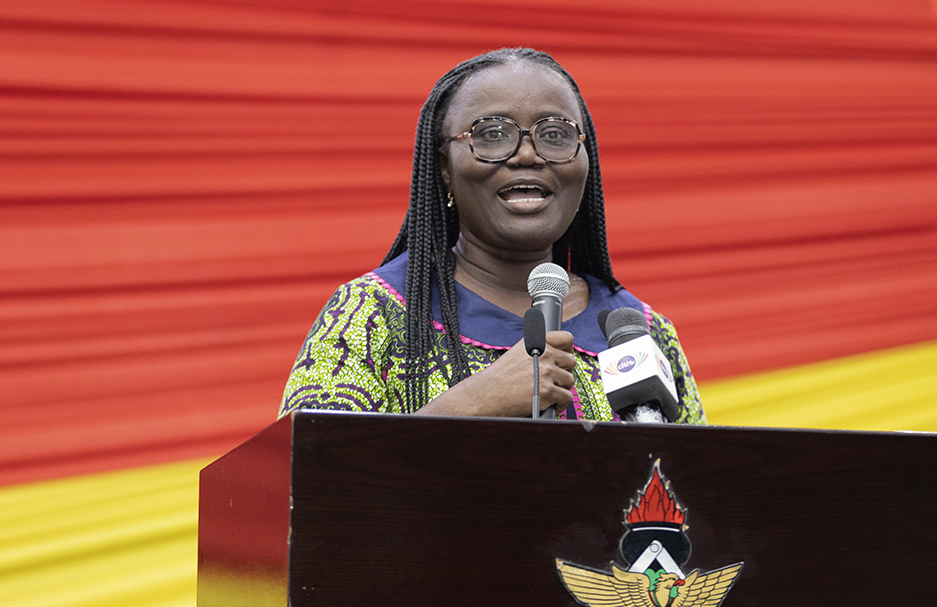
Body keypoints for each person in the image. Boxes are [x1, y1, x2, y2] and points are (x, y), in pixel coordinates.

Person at [279, 48, 706, 423]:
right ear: (445, 166)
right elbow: (308, 486)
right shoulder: (371, 315)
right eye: (491, 134)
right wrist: (472, 405)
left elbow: (701, 499)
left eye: (555, 135)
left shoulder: (641, 330)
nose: (526, 154)